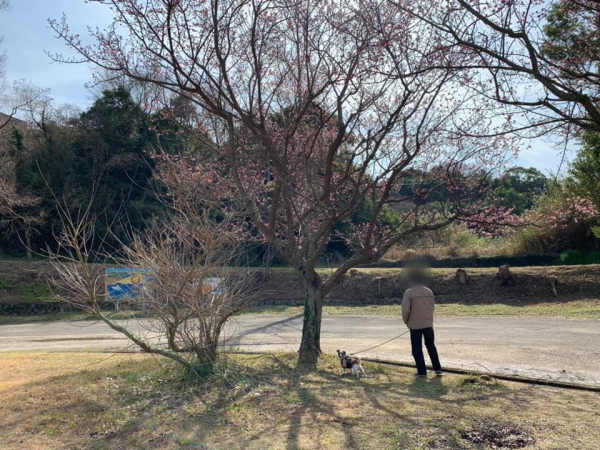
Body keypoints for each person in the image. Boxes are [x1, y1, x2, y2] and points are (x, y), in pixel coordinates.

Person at [401, 271, 442, 378]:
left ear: (412, 280)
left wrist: (407, 322)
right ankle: (438, 369)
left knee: (417, 348)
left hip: (415, 325)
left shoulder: (409, 293)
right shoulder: (429, 291)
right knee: (431, 346)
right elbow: (432, 307)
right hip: (428, 324)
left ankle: (422, 372)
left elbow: (405, 310)